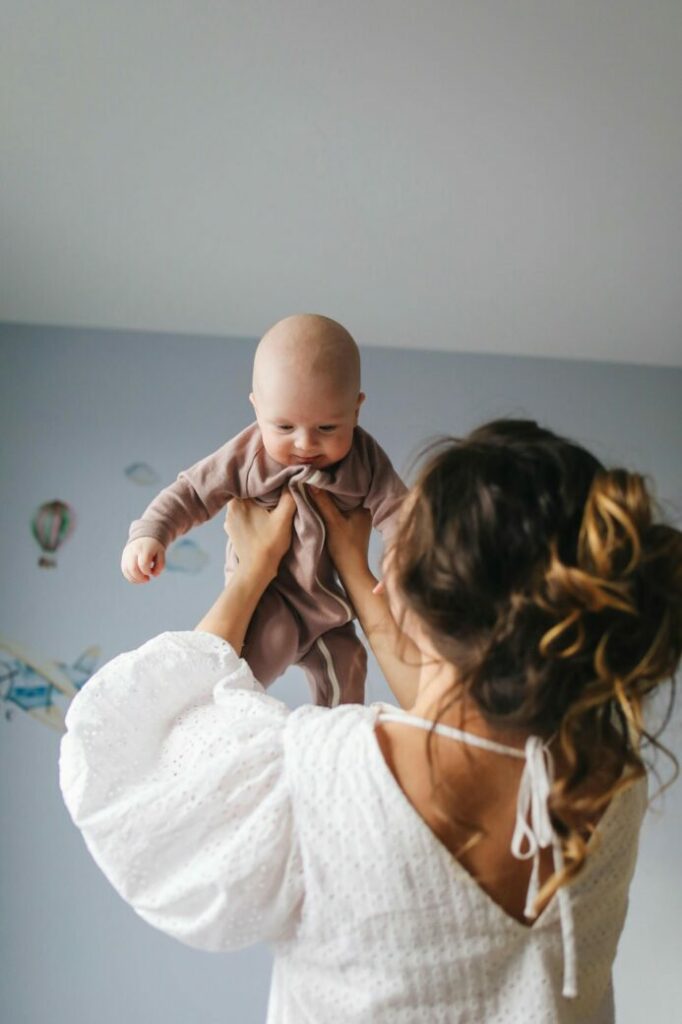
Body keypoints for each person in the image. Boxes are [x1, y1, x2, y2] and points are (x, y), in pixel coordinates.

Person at [60, 419, 682, 1023]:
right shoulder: (609, 781)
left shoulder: (322, 773)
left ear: (411, 595)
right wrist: (358, 574)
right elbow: (459, 719)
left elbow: (154, 738)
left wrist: (253, 569)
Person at [120, 313, 405, 706]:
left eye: (327, 428)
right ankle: (226, 734)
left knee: (349, 670)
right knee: (231, 682)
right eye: (284, 427)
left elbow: (399, 511)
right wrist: (152, 532)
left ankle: (331, 747)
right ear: (257, 409)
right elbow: (192, 492)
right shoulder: (248, 454)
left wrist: (403, 558)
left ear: (356, 410)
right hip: (270, 602)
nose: (305, 443)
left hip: (329, 610)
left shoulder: (365, 460)